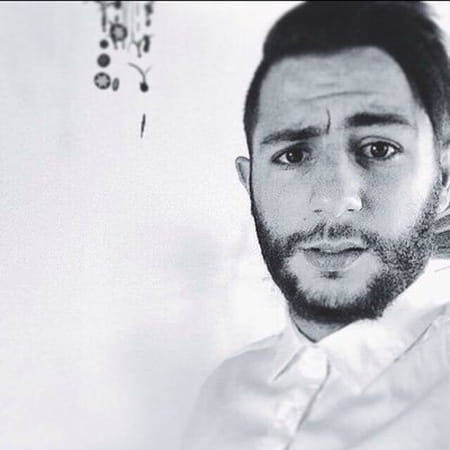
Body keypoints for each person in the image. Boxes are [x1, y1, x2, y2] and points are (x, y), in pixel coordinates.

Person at [184, 2, 450, 449]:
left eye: (379, 149)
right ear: (250, 184)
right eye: (292, 155)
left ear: (443, 180)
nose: (333, 200)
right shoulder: (222, 396)